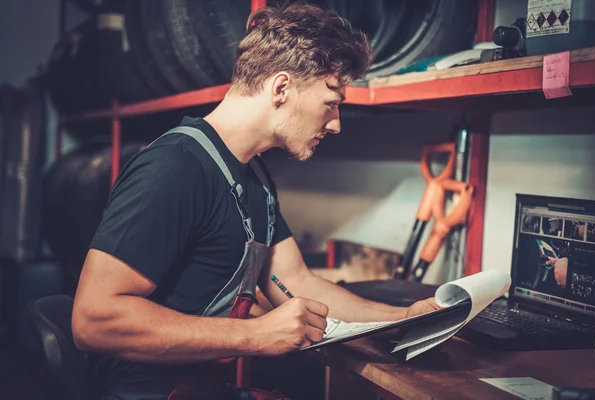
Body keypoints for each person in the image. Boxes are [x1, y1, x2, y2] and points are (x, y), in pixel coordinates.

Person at [71, 3, 442, 399]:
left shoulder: (253, 175)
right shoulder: (175, 167)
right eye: (331, 102)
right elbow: (93, 320)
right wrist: (253, 334)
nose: (335, 124)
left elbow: (296, 282)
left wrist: (402, 319)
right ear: (281, 88)